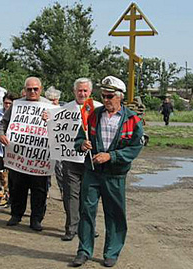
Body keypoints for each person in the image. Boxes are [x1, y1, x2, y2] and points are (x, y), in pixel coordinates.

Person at [71, 76, 143, 268]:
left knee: (114, 214)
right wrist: (82, 144)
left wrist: (111, 156)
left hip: (115, 175)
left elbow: (135, 148)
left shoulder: (133, 120)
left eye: (110, 96)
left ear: (120, 97)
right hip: (92, 172)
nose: (106, 100)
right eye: (103, 96)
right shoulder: (93, 115)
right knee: (86, 211)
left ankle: (111, 252)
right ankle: (84, 251)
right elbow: (78, 139)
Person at [0, 77, 51, 231]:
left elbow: (58, 127)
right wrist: (1, 135)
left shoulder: (49, 106)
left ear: (41, 89)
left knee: (39, 191)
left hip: (40, 159)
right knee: (17, 188)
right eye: (29, 89)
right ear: (24, 90)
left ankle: (36, 219)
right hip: (19, 157)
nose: (32, 92)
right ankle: (16, 214)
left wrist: (51, 119)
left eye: (35, 89)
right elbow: (3, 123)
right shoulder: (16, 104)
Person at [59, 78, 102, 241]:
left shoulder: (98, 108)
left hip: (91, 160)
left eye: (85, 91)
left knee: (90, 196)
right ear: (74, 91)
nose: (82, 93)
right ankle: (71, 228)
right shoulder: (64, 109)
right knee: (71, 195)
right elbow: (53, 126)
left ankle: (90, 228)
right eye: (79, 90)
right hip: (70, 159)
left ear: (90, 92)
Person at [0, 93, 15, 195]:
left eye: (10, 103)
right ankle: (0, 195)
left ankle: (8, 196)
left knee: (10, 175)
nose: (7, 105)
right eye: (6, 103)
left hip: (11, 149)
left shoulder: (17, 114)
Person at [44, 86, 64, 198]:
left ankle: (63, 190)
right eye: (50, 99)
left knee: (59, 169)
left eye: (55, 99)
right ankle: (46, 189)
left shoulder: (63, 111)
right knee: (46, 168)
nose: (53, 101)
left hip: (58, 144)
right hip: (45, 144)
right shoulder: (44, 111)